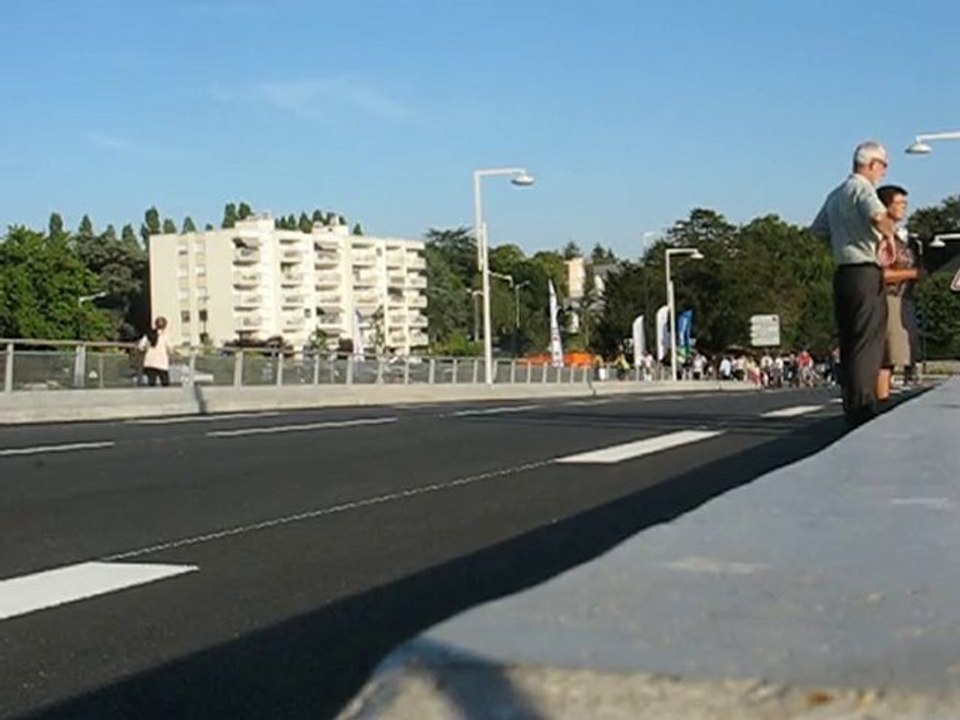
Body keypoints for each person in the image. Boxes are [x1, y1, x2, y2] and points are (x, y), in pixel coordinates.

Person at [811, 141, 896, 423]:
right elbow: (878, 216)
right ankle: (863, 403)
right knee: (868, 338)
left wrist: (842, 240)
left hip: (843, 272)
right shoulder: (863, 188)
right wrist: (889, 237)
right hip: (865, 270)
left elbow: (818, 231)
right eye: (883, 165)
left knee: (849, 337)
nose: (885, 171)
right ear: (871, 164)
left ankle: (851, 400)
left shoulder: (835, 195)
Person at [875, 185, 920, 399]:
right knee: (887, 357)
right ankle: (880, 400)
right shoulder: (883, 238)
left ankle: (883, 398)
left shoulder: (898, 237)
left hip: (902, 298)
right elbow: (880, 273)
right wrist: (913, 273)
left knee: (893, 358)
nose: (904, 208)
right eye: (899, 204)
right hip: (889, 298)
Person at [137, 316, 174, 387]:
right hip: (162, 363)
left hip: (150, 362)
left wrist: (145, 349)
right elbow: (170, 348)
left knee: (151, 384)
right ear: (165, 326)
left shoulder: (148, 335)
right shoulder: (165, 336)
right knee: (165, 384)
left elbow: (140, 346)